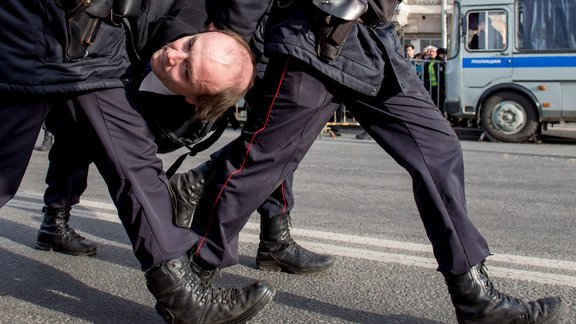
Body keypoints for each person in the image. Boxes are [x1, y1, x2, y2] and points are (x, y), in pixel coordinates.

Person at [183, 1, 568, 323]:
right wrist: (232, 39)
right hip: (310, 39)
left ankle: (475, 299)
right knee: (259, 165)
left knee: (438, 149)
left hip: (371, 44)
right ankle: (188, 284)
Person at [0, 1, 276, 323]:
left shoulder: (183, 38)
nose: (174, 55)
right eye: (187, 46)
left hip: (97, 38)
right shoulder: (178, 26)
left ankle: (182, 296)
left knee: (135, 162)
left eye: (187, 68)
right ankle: (182, 296)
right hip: (41, 26)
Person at [38, 1, 336, 274]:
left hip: (254, 47)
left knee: (278, 137)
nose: (174, 55)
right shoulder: (180, 34)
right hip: (224, 41)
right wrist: (225, 39)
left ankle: (267, 230)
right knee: (83, 123)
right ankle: (57, 217)